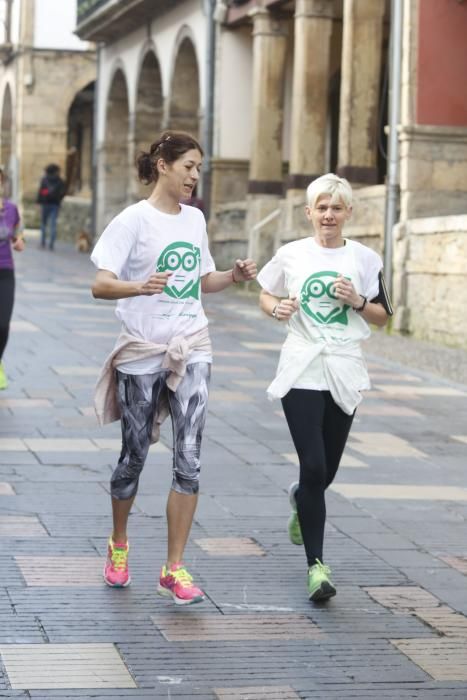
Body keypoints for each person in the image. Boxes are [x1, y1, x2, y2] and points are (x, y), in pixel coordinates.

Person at [91, 130, 257, 605]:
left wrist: (232, 276)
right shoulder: (132, 221)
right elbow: (100, 285)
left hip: (191, 345)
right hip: (142, 351)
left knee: (190, 456)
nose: (194, 176)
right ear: (162, 164)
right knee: (134, 456)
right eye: (188, 166)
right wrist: (138, 287)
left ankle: (174, 567)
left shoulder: (195, 220)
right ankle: (119, 545)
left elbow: (203, 281)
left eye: (199, 168)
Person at [257, 173, 392, 602]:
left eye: (337, 207)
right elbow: (265, 292)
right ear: (309, 212)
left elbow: (384, 315)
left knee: (325, 472)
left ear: (349, 212)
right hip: (302, 363)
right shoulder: (291, 254)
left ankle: (301, 497)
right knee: (313, 464)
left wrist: (356, 301)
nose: (329, 215)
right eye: (322, 207)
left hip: (344, 365)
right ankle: (317, 566)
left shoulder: (366, 259)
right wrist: (276, 307)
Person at [0, 168, 24, 390]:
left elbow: (17, 233)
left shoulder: (10, 209)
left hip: (5, 271)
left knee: (3, 324)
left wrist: (18, 241)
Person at [37, 163, 66, 250]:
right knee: (53, 224)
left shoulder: (44, 180)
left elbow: (41, 192)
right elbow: (63, 193)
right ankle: (51, 244)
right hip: (55, 205)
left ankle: (43, 242)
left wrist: (39, 202)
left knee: (43, 224)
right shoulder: (60, 181)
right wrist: (58, 200)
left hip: (45, 204)